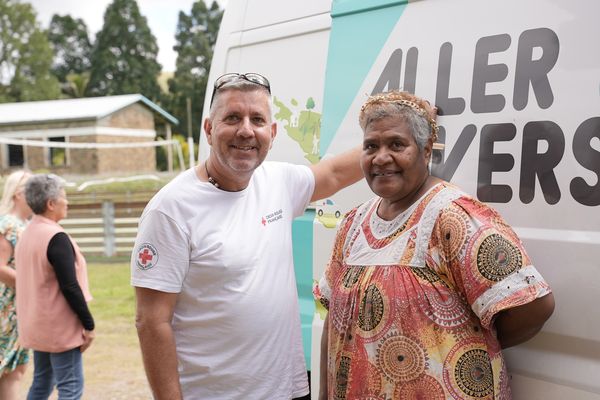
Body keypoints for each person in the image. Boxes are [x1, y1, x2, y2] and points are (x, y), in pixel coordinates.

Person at [131, 72, 363, 399]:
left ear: (272, 132)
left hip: (287, 389)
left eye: (257, 119)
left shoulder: (277, 181)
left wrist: (397, 134)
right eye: (232, 118)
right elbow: (151, 321)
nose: (245, 130)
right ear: (209, 129)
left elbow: (335, 173)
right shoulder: (170, 210)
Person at [314, 90, 555, 399]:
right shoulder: (352, 225)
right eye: (371, 146)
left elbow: (534, 308)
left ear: (426, 150)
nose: (381, 157)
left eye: (397, 144)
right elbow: (333, 320)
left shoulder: (453, 217)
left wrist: (457, 343)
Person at [15, 174, 95, 400]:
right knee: (70, 387)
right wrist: (88, 324)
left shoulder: (27, 232)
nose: (67, 202)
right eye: (63, 197)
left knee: (41, 382)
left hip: (36, 323)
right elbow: (70, 286)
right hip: (59, 328)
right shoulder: (55, 237)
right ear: (51, 204)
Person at [0, 170, 32, 399]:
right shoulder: (9, 225)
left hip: (19, 307)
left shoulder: (26, 224)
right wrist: (30, 285)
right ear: (19, 194)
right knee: (8, 367)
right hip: (6, 308)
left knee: (16, 368)